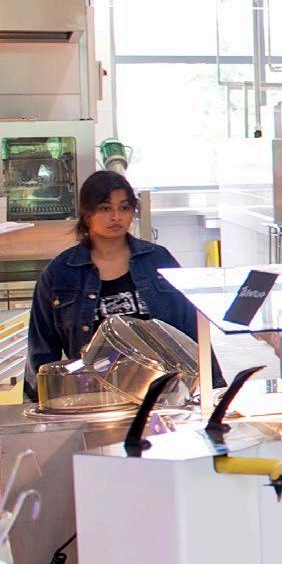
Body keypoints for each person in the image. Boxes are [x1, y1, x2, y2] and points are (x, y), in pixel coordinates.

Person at [25, 171, 225, 400]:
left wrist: (213, 389)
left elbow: (192, 330)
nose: (116, 216)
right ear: (87, 214)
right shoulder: (60, 273)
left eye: (124, 207)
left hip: (164, 395)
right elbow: (41, 350)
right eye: (105, 208)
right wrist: (38, 403)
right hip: (93, 397)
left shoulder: (158, 261)